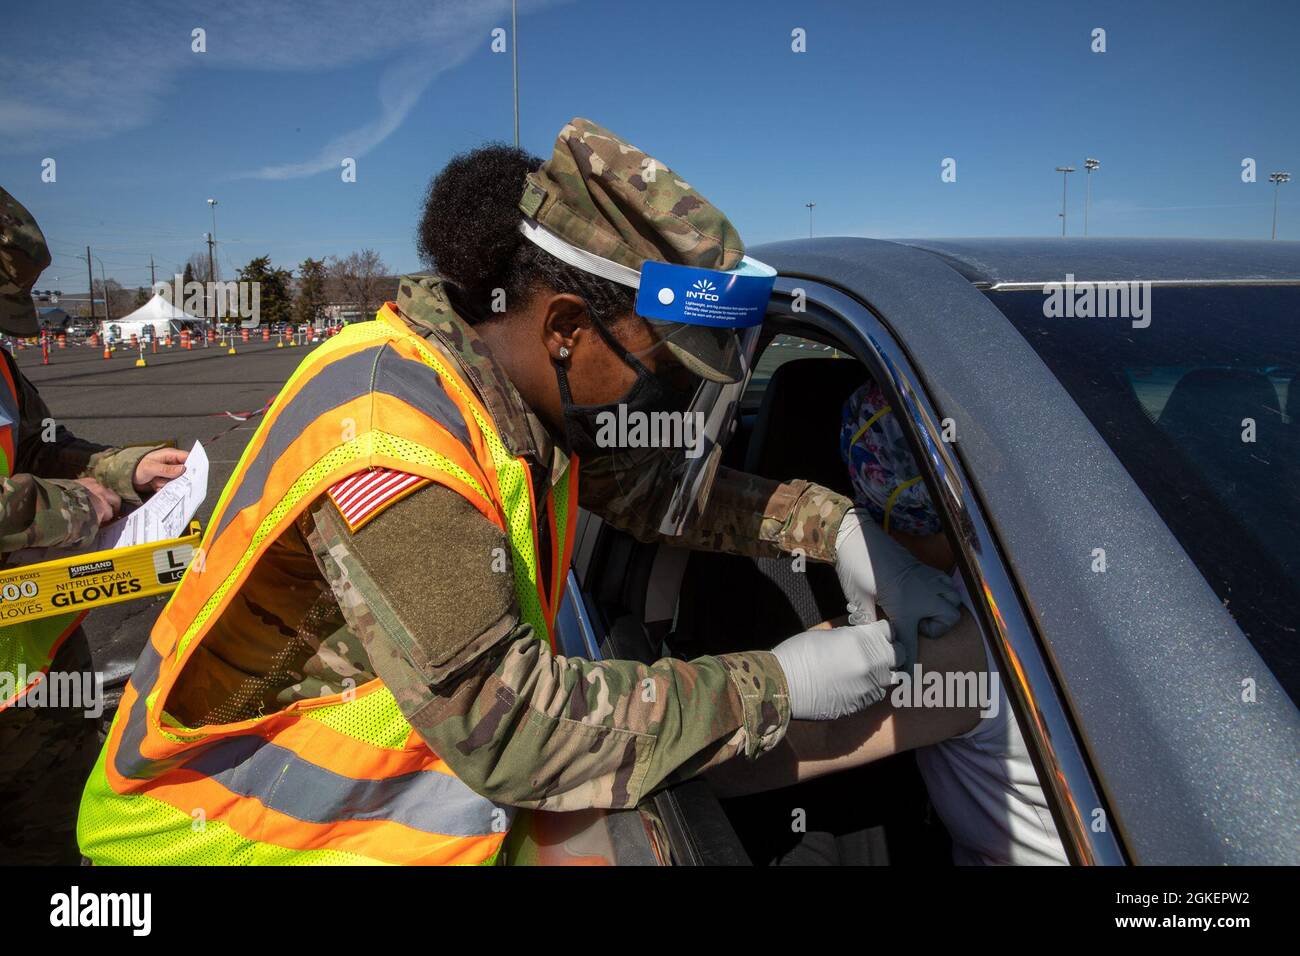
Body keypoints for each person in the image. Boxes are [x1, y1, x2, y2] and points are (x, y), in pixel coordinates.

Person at [78, 118, 961, 865]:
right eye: (656, 371)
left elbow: (654, 490)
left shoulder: (502, 390)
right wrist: (779, 684)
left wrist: (838, 526)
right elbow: (516, 732)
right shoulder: (393, 441)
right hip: (220, 839)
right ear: (568, 328)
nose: (657, 404)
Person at [708, 381, 1067, 865]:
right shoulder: (1087, 577)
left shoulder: (952, 637)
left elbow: (723, 758)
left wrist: (774, 685)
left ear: (878, 504)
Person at [0, 185, 189, 864]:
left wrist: (123, 470)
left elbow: (42, 444)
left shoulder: (2, 367)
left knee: (53, 837)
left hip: (31, 674)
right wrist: (70, 505)